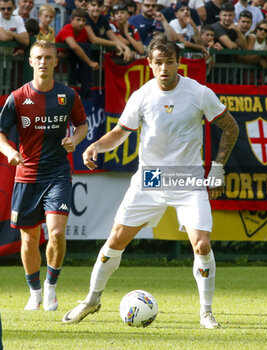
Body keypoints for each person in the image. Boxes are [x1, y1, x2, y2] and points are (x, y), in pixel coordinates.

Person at [62, 34, 239, 329]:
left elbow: (230, 127)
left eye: (169, 62)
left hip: (188, 180)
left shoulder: (199, 92)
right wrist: (95, 146)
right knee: (115, 240)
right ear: (150, 64)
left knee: (202, 245)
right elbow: (120, 132)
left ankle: (206, 312)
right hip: (151, 178)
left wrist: (218, 166)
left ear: (178, 63)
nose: (164, 68)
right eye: (158, 63)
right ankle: (92, 300)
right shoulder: (142, 95)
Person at [0, 40, 88, 311]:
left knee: (57, 232)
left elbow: (82, 125)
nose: (43, 62)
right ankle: (35, 292)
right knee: (28, 239)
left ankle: (51, 287)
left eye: (48, 57)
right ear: (30, 61)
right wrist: (8, 151)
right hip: (26, 176)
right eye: (38, 57)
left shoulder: (68, 96)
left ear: (55, 61)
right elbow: (0, 133)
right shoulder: (17, 97)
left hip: (57, 175)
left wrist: (76, 139)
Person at [56, 8, 100, 97]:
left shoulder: (83, 31)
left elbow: (82, 49)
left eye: (83, 20)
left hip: (73, 66)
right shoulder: (67, 29)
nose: (81, 23)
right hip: (59, 69)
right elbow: (74, 46)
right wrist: (90, 62)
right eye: (78, 20)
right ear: (71, 20)